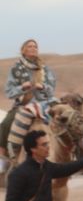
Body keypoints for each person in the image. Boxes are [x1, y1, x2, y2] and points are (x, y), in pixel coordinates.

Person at [0, 40, 57, 174]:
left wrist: (42, 86)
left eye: (35, 46)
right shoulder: (16, 68)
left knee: (66, 116)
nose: (33, 48)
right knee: (6, 123)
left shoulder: (44, 68)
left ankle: (79, 151)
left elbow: (52, 88)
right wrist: (22, 87)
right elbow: (9, 91)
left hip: (44, 103)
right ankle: (5, 158)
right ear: (23, 50)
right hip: (24, 104)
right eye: (29, 46)